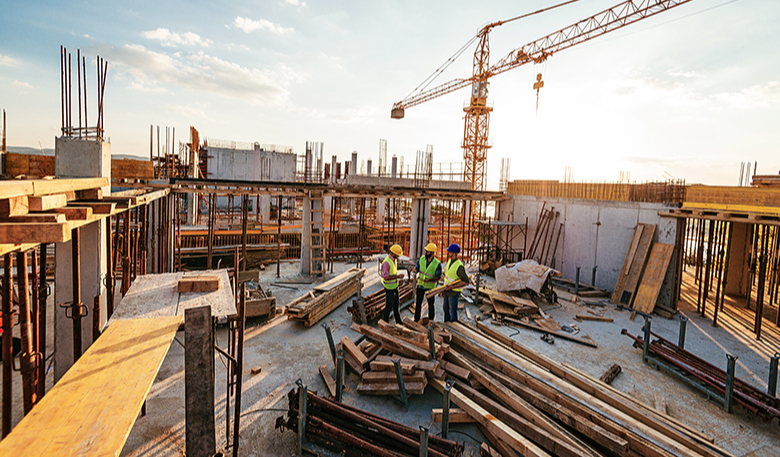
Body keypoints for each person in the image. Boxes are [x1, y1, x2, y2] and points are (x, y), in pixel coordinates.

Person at [412, 243, 441, 322]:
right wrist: (415, 270)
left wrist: (430, 280)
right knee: (418, 304)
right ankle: (416, 320)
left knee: (431, 304)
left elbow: (438, 276)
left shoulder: (437, 263)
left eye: (427, 251)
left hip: (430, 287)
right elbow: (417, 268)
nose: (425, 252)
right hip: (421, 285)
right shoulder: (422, 259)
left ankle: (431, 321)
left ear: (432, 253)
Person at [442, 243, 469, 323]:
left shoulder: (459, 266)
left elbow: (466, 281)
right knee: (446, 310)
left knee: (452, 313)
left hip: (453, 293)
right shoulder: (450, 261)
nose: (448, 253)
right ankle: (446, 327)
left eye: (449, 251)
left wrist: (452, 287)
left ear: (453, 253)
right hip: (446, 290)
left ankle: (453, 330)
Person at [381, 244, 405, 324]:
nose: (398, 256)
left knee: (396, 304)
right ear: (394, 254)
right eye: (398, 255)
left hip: (394, 286)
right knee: (389, 306)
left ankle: (398, 321)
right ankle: (385, 322)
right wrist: (397, 276)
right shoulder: (386, 263)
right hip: (389, 288)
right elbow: (386, 277)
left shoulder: (393, 260)